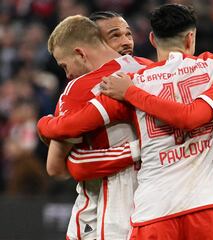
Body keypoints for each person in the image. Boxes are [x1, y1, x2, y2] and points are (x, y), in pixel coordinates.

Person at [37, 4, 213, 240]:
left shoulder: (133, 82)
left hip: (154, 209)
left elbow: (68, 133)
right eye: (115, 35)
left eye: (128, 33)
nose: (125, 42)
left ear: (152, 39)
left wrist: (44, 124)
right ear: (192, 38)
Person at [44, 15, 151, 240]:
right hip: (157, 194)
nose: (67, 74)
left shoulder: (79, 88)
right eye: (116, 34)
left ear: (80, 53)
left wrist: (45, 125)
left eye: (65, 66)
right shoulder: (151, 69)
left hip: (106, 202)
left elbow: (55, 167)